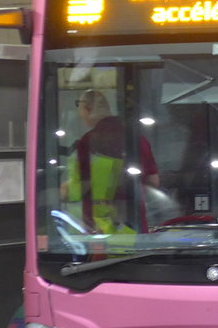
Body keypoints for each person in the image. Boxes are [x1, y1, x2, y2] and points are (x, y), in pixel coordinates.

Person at [62, 89, 159, 232]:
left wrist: (63, 190)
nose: (83, 121)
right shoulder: (138, 139)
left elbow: (83, 185)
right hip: (135, 228)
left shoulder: (88, 141)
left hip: (103, 231)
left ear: (88, 109)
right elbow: (153, 181)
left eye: (81, 116)